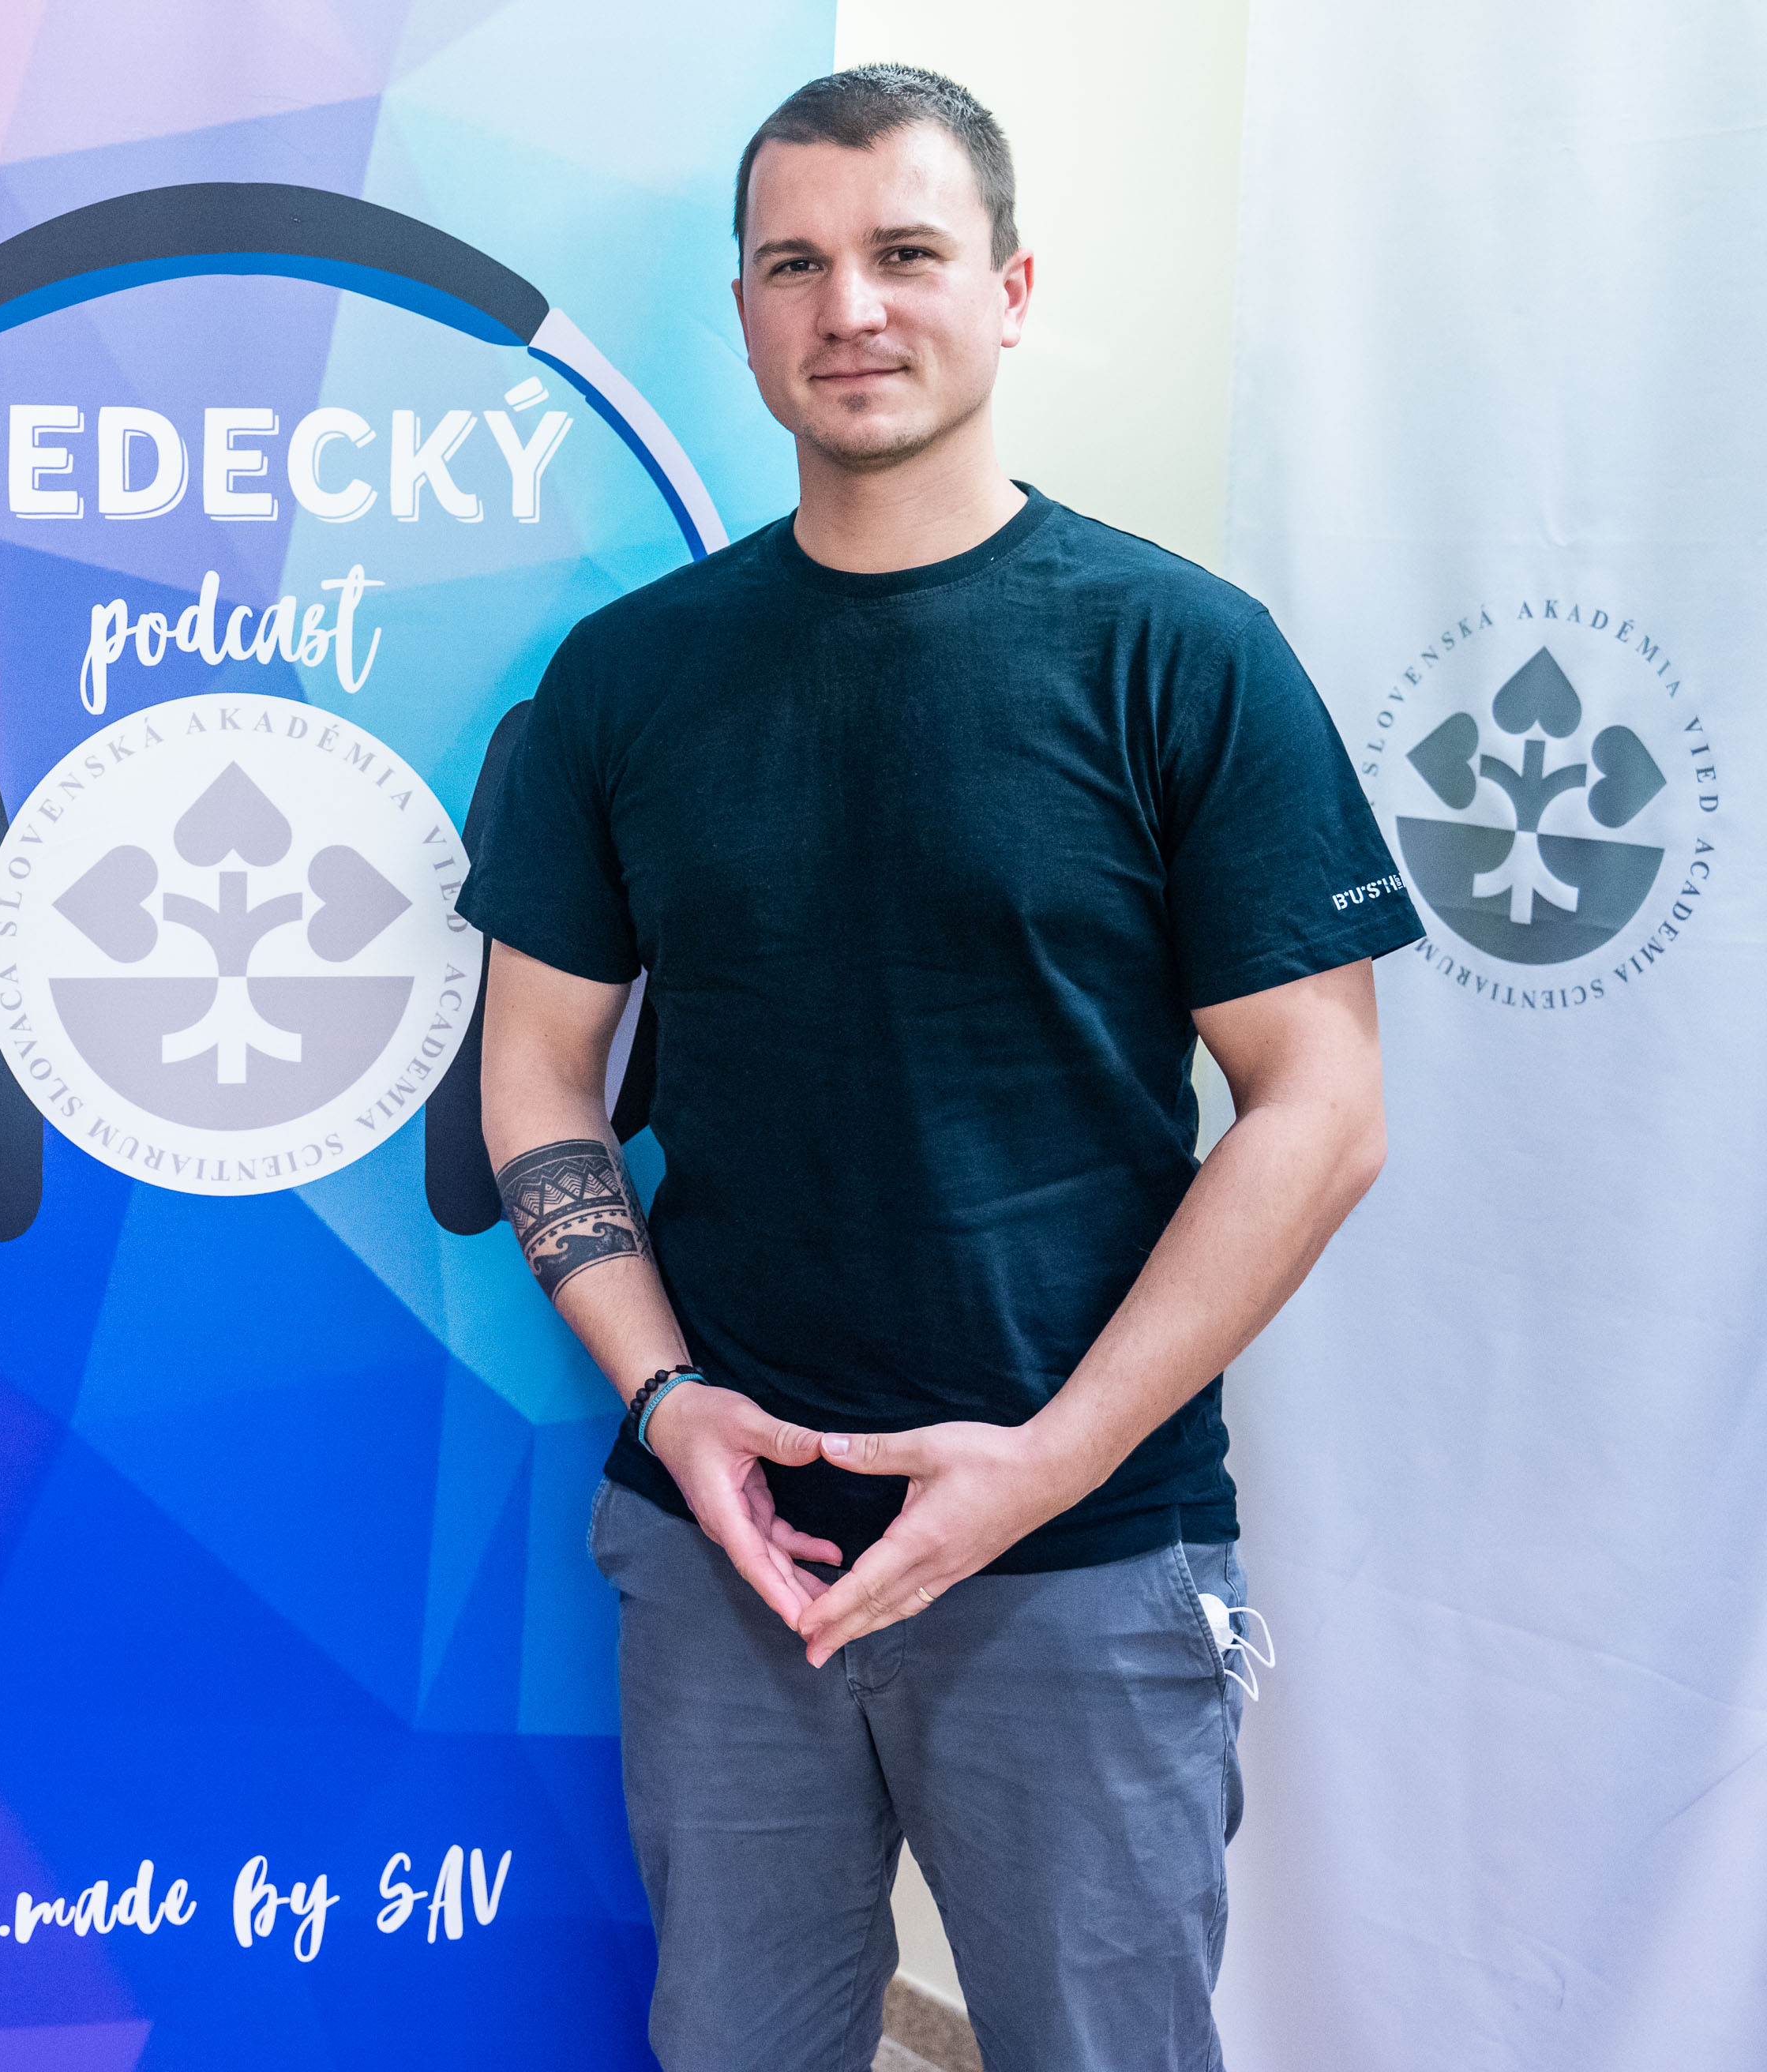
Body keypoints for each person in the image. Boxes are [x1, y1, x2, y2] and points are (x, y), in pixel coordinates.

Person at [460, 64, 1419, 2072]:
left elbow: (1323, 1109)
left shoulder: (1181, 653)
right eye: (794, 265)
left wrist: (1045, 1463)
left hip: (1083, 1550)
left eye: (906, 252)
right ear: (743, 309)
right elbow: (538, 1078)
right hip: (730, 1548)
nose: (851, 309)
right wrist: (672, 1403)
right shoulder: (629, 679)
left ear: (1011, 288)